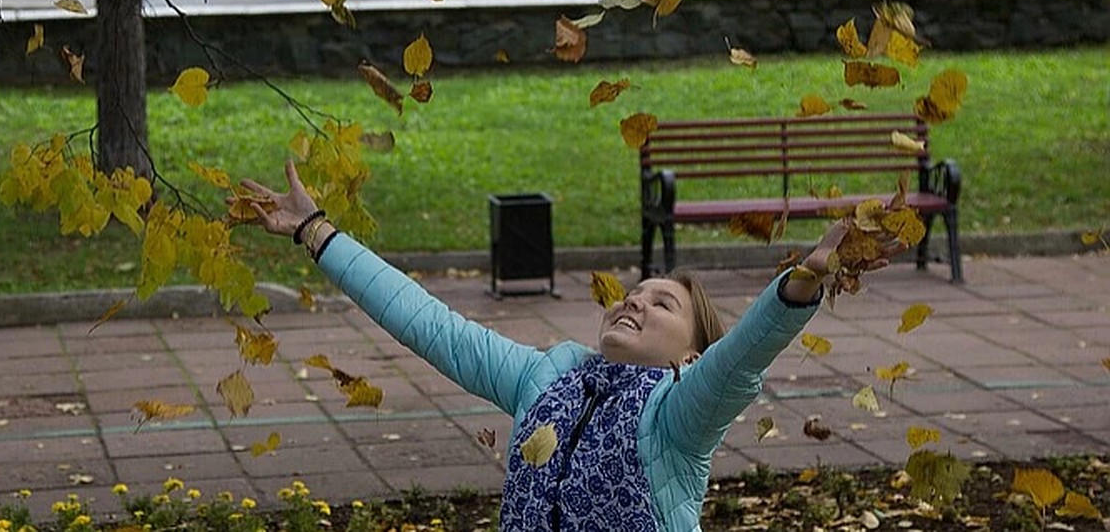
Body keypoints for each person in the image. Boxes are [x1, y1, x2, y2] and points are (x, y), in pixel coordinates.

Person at [234, 161, 905, 531]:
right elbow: (428, 322)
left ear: (690, 355)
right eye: (635, 293)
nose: (636, 300)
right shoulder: (543, 377)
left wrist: (802, 280)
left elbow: (744, 356)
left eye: (662, 302)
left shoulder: (681, 412)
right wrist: (317, 231)